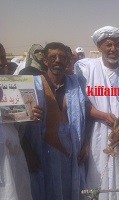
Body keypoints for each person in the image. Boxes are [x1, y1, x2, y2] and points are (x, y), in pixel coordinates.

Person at [75, 26, 119, 200]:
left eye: (117, 44)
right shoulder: (87, 69)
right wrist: (101, 115)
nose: (113, 49)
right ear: (99, 47)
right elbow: (81, 103)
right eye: (108, 45)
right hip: (100, 132)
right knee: (101, 170)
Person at [25, 42, 88, 200]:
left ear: (68, 61)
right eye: (53, 57)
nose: (58, 60)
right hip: (43, 151)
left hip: (72, 151)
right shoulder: (34, 85)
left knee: (70, 191)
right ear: (45, 61)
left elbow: (86, 116)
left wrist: (86, 144)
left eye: (62, 57)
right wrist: (27, 150)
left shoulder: (76, 84)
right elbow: (19, 122)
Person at [0, 43, 42, 200]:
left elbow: (15, 126)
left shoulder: (11, 85)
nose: (1, 62)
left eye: (3, 57)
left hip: (12, 155)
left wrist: (30, 115)